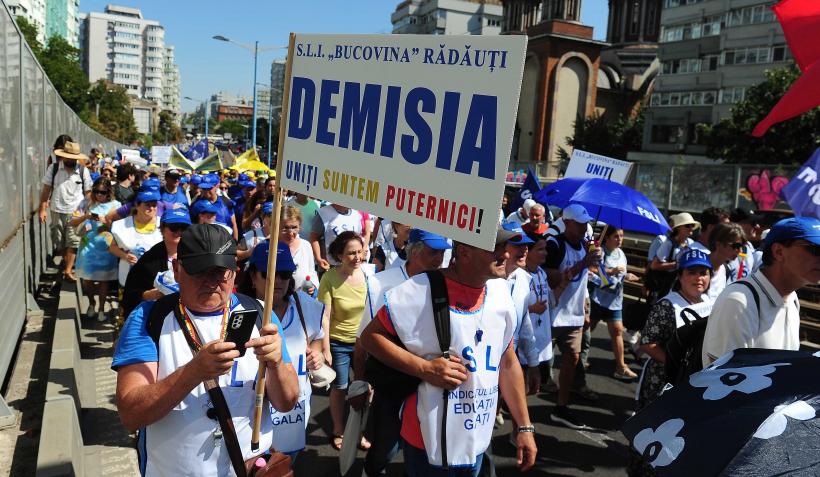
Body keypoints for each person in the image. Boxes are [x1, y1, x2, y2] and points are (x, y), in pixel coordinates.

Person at [113, 224, 299, 476]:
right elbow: (131, 414)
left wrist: (276, 364)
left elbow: (287, 402)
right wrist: (193, 372)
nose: (211, 282)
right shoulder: (149, 318)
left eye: (220, 272)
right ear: (177, 270)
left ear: (234, 271)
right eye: (200, 271)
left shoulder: (260, 313)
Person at [360, 225, 537, 475]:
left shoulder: (500, 293)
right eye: (495, 248)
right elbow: (370, 337)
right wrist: (425, 368)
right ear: (464, 252)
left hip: (476, 436)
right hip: (426, 439)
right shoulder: (418, 289)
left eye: (504, 247)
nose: (505, 254)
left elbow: (507, 362)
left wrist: (524, 427)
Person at [350, 228, 451, 477]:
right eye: (432, 252)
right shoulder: (380, 283)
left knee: (429, 445)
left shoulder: (446, 283)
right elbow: (364, 338)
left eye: (441, 253)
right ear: (413, 251)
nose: (438, 259)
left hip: (433, 379)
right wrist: (360, 380)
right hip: (392, 379)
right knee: (387, 444)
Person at [630, 249, 713, 477]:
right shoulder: (668, 306)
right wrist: (678, 365)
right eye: (692, 272)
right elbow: (647, 343)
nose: (699, 278)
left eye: (704, 272)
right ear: (680, 276)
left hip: (691, 381)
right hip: (662, 379)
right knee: (654, 433)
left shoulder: (709, 302)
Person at [239, 241, 325, 459]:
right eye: (269, 273)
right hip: (247, 414)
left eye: (284, 274)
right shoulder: (236, 310)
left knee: (281, 467)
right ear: (252, 275)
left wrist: (317, 355)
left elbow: (317, 340)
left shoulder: (307, 306)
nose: (277, 281)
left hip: (293, 411)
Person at [702, 217, 820, 366]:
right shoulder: (739, 302)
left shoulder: (792, 298)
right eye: (815, 249)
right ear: (778, 252)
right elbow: (722, 382)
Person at [543, 204, 602, 429]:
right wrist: (583, 264)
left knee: (573, 359)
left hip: (574, 316)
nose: (583, 227)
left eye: (585, 222)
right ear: (566, 222)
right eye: (578, 223)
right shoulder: (554, 244)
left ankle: (561, 406)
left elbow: (585, 281)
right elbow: (550, 278)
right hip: (550, 315)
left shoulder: (587, 247)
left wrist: (585, 309)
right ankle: (510, 408)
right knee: (532, 366)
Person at [317, 231, 369, 450]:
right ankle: (339, 429)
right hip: (338, 343)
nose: (357, 257)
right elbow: (325, 317)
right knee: (340, 387)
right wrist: (325, 348)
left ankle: (359, 431)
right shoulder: (329, 278)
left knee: (363, 388)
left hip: (364, 343)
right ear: (339, 255)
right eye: (351, 253)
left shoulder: (369, 275)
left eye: (359, 252)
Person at [120, 209, 191, 319]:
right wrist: (152, 294)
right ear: (162, 229)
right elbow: (131, 294)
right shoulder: (148, 261)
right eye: (174, 227)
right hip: (158, 317)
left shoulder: (197, 254)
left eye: (184, 228)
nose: (179, 232)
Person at [38, 140, 92, 282]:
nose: (71, 160)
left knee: (73, 241)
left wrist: (86, 210)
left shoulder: (82, 170)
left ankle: (68, 270)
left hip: (76, 211)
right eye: (69, 157)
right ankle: (66, 262)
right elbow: (45, 191)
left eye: (74, 158)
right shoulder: (54, 169)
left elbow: (88, 192)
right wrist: (42, 209)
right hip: (57, 209)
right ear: (63, 156)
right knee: (59, 241)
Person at [589, 227, 639, 380]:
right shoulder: (600, 252)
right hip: (598, 298)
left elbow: (621, 274)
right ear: (607, 238)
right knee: (587, 329)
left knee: (617, 331)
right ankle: (578, 358)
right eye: (616, 236)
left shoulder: (621, 254)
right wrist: (611, 271)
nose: (619, 239)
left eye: (621, 236)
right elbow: (594, 271)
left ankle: (620, 367)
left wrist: (626, 276)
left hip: (615, 300)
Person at [71, 177, 121, 321]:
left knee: (104, 280)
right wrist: (85, 216)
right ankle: (92, 302)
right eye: (96, 191)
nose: (99, 195)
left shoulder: (116, 205)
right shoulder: (86, 203)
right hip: (88, 246)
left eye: (103, 192)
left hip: (106, 247)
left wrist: (108, 222)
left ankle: (100, 308)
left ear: (108, 192)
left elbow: (120, 226)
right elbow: (72, 222)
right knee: (87, 279)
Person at [109, 186, 163, 288]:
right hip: (128, 277)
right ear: (137, 205)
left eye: (154, 205)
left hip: (155, 280)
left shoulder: (165, 224)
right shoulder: (121, 225)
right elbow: (112, 248)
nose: (151, 208)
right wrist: (125, 256)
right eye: (147, 205)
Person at [523, 231, 554, 388]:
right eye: (540, 249)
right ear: (528, 252)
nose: (545, 253)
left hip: (540, 336)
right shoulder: (519, 275)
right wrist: (532, 309)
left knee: (531, 385)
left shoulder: (542, 273)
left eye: (545, 248)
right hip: (524, 339)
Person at [647, 212, 699, 299]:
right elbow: (654, 265)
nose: (691, 228)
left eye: (692, 225)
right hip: (666, 286)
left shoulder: (691, 243)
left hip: (682, 286)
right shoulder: (668, 243)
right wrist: (676, 264)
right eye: (687, 226)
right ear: (678, 228)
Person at [310, 203, 369, 271]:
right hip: (330, 265)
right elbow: (314, 237)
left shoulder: (356, 215)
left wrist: (361, 252)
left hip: (351, 264)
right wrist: (318, 258)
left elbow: (358, 238)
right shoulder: (324, 213)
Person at [279, 206, 317, 293]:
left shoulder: (306, 245)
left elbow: (312, 272)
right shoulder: (269, 246)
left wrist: (313, 285)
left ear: (299, 226)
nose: (291, 233)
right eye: (285, 228)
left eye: (294, 227)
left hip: (301, 299)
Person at [704, 222, 746, 301]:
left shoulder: (726, 270)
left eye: (741, 246)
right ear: (718, 244)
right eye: (736, 246)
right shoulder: (696, 267)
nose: (740, 251)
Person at [192, 174, 238, 240]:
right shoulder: (196, 204)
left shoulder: (227, 202)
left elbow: (233, 224)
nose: (206, 191)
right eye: (204, 188)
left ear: (217, 186)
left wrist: (235, 242)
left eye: (209, 188)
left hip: (225, 244)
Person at [726, 208, 763, 283]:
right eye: (753, 223)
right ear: (738, 224)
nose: (757, 226)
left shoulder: (748, 247)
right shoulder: (723, 247)